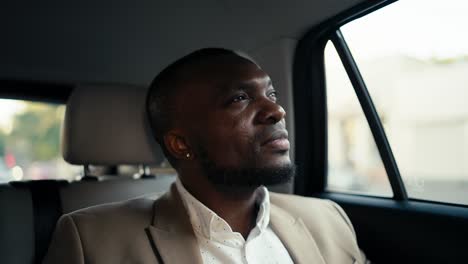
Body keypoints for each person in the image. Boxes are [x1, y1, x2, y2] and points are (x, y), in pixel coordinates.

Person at [43, 48, 368, 264]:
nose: (276, 110)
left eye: (271, 93)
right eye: (239, 98)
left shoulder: (328, 219)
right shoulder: (90, 241)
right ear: (181, 144)